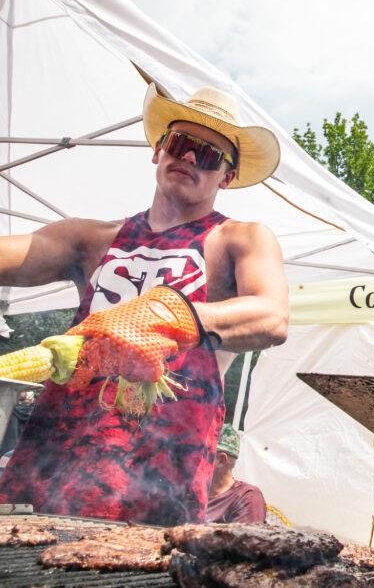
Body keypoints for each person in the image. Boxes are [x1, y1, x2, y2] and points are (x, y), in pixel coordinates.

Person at [0, 83, 288, 526]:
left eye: (208, 155)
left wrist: (174, 314)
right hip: (56, 448)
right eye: (181, 143)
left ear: (226, 177)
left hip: (165, 465)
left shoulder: (240, 239)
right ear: (158, 150)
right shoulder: (90, 238)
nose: (190, 157)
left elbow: (271, 316)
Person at [205, 424, 267, 524]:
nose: (190, 461)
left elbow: (245, 538)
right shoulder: (190, 495)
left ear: (221, 460)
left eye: (199, 455)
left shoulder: (247, 497)